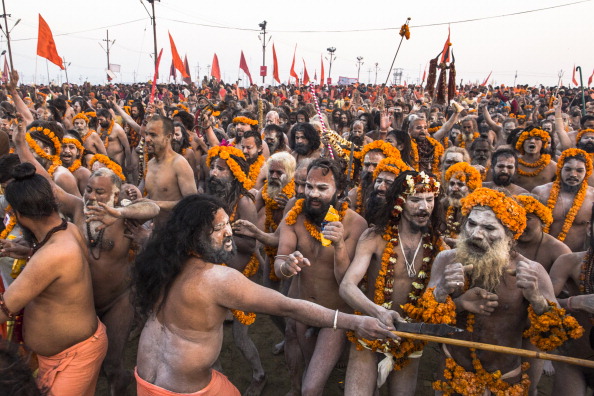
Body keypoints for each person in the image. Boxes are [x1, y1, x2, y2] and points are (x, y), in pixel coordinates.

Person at [132, 194, 396, 396]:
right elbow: (289, 307)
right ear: (194, 235)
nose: (229, 233)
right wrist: (357, 322)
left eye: (228, 224)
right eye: (219, 227)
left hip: (143, 381)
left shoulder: (161, 261)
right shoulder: (216, 278)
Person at [13, 118, 160, 395]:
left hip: (118, 301)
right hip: (84, 301)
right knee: (91, 361)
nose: (92, 196)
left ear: (116, 194)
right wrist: (21, 144)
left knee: (113, 365)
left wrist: (120, 212)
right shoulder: (79, 208)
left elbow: (151, 207)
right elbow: (47, 184)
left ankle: (121, 387)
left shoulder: (125, 213)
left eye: (100, 192)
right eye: (89, 189)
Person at [423, 188, 582, 395]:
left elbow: (554, 337)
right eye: (471, 224)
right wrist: (446, 294)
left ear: (509, 235)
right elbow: (425, 324)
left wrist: (535, 298)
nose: (476, 234)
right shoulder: (446, 260)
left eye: (489, 228)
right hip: (452, 374)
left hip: (505, 381)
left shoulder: (532, 271)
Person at [0, 163, 107, 395]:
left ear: (20, 215)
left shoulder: (52, 253)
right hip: (70, 354)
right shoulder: (66, 229)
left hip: (73, 358)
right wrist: (28, 252)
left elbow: (3, 310)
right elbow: (61, 271)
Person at [340, 170, 445, 395]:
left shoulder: (437, 246)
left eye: (429, 199)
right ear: (399, 202)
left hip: (409, 336)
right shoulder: (374, 237)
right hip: (370, 329)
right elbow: (347, 286)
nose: (424, 207)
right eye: (415, 199)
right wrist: (377, 312)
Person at [274, 158, 368, 395]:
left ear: (340, 191)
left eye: (322, 188)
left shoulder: (356, 224)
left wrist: (339, 247)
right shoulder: (295, 213)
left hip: (335, 316)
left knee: (311, 387)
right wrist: (287, 267)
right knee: (308, 372)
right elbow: (279, 261)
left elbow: (347, 282)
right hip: (303, 310)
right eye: (308, 186)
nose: (313, 194)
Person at [514, 193, 572, 394]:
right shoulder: (505, 241)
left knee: (529, 386)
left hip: (536, 323)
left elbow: (558, 301)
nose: (521, 222)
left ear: (542, 219)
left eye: (528, 217)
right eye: (517, 216)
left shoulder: (557, 250)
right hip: (506, 319)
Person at [549, 207, 594, 395]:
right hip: (574, 355)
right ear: (590, 228)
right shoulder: (568, 262)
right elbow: (543, 305)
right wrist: (576, 302)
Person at [533, 148, 594, 252]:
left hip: (577, 258)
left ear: (587, 172)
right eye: (568, 169)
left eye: (579, 170)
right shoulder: (540, 193)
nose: (573, 174)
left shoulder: (592, 196)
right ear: (560, 169)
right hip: (545, 254)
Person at [142, 115, 197, 227]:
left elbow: (192, 203)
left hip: (177, 231)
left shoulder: (179, 164)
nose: (147, 139)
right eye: (146, 134)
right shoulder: (150, 163)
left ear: (168, 137)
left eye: (153, 135)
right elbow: (156, 195)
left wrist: (155, 204)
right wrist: (138, 200)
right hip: (156, 229)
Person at [347, 141, 401, 216]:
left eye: (376, 165)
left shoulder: (400, 197)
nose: (370, 170)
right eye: (367, 165)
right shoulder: (353, 195)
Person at [442, 162, 482, 240]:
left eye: (460, 185)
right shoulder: (444, 205)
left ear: (471, 188)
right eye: (452, 184)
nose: (454, 189)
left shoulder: (478, 212)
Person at [513, 127, 557, 192]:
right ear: (522, 143)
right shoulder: (512, 164)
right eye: (528, 139)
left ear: (543, 144)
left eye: (537, 139)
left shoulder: (553, 166)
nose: (532, 141)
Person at [60, 131, 91, 195]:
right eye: (63, 146)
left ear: (78, 152)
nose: (67, 151)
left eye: (71, 147)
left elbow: (87, 200)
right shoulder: (53, 169)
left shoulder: (83, 173)